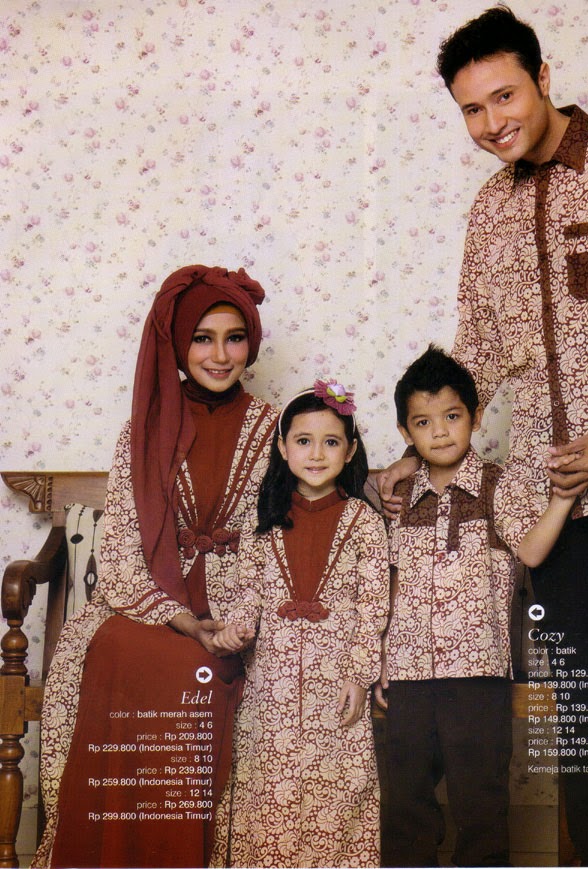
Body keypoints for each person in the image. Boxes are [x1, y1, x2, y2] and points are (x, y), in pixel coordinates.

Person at [381, 7, 588, 865]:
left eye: (504, 96)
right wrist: (417, 449)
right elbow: (478, 350)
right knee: (578, 685)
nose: (491, 122)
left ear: (540, 77)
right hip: (545, 492)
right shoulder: (487, 211)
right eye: (471, 109)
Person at [33, 265, 278, 869]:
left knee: (202, 669)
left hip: (242, 605)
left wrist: (234, 619)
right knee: (131, 653)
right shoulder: (141, 432)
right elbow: (120, 550)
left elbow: (281, 535)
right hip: (152, 606)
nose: (220, 355)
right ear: (176, 345)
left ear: (251, 343)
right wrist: (184, 620)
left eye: (234, 338)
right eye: (202, 338)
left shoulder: (278, 428)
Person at [373, 346, 573, 867]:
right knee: (405, 802)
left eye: (453, 416)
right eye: (423, 422)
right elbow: (386, 583)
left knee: (480, 802)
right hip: (408, 675)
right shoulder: (398, 496)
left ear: (476, 417)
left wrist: (562, 501)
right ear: (405, 431)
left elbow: (530, 551)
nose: (440, 432)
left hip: (479, 673)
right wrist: (379, 660)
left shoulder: (496, 484)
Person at [208, 382, 389, 868]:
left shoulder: (364, 523)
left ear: (350, 450)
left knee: (340, 788)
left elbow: (373, 608)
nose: (316, 453)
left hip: (337, 682)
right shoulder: (264, 522)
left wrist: (358, 675)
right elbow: (248, 593)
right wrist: (236, 629)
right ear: (283, 447)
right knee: (269, 786)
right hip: (273, 687)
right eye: (304, 441)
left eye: (331, 442)